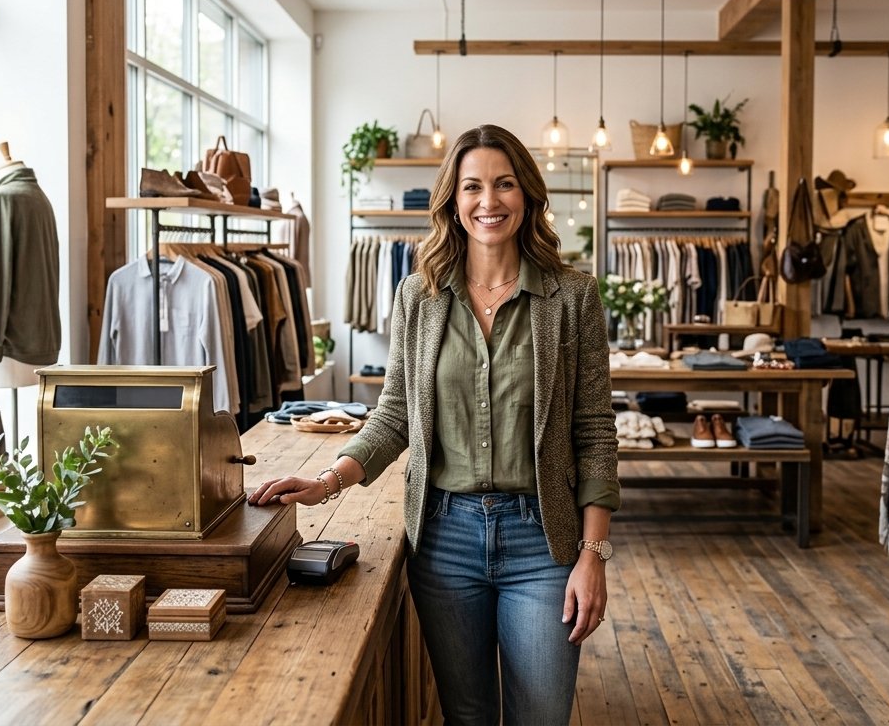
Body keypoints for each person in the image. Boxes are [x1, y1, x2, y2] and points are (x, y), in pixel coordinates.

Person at [250, 124, 619, 725]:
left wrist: (593, 552)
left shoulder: (572, 297)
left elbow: (595, 431)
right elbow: (395, 412)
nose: (489, 201)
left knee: (542, 716)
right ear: (453, 199)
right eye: (472, 186)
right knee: (466, 716)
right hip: (445, 539)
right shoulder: (417, 296)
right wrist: (327, 482)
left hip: (542, 540)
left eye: (504, 184)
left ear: (526, 195)